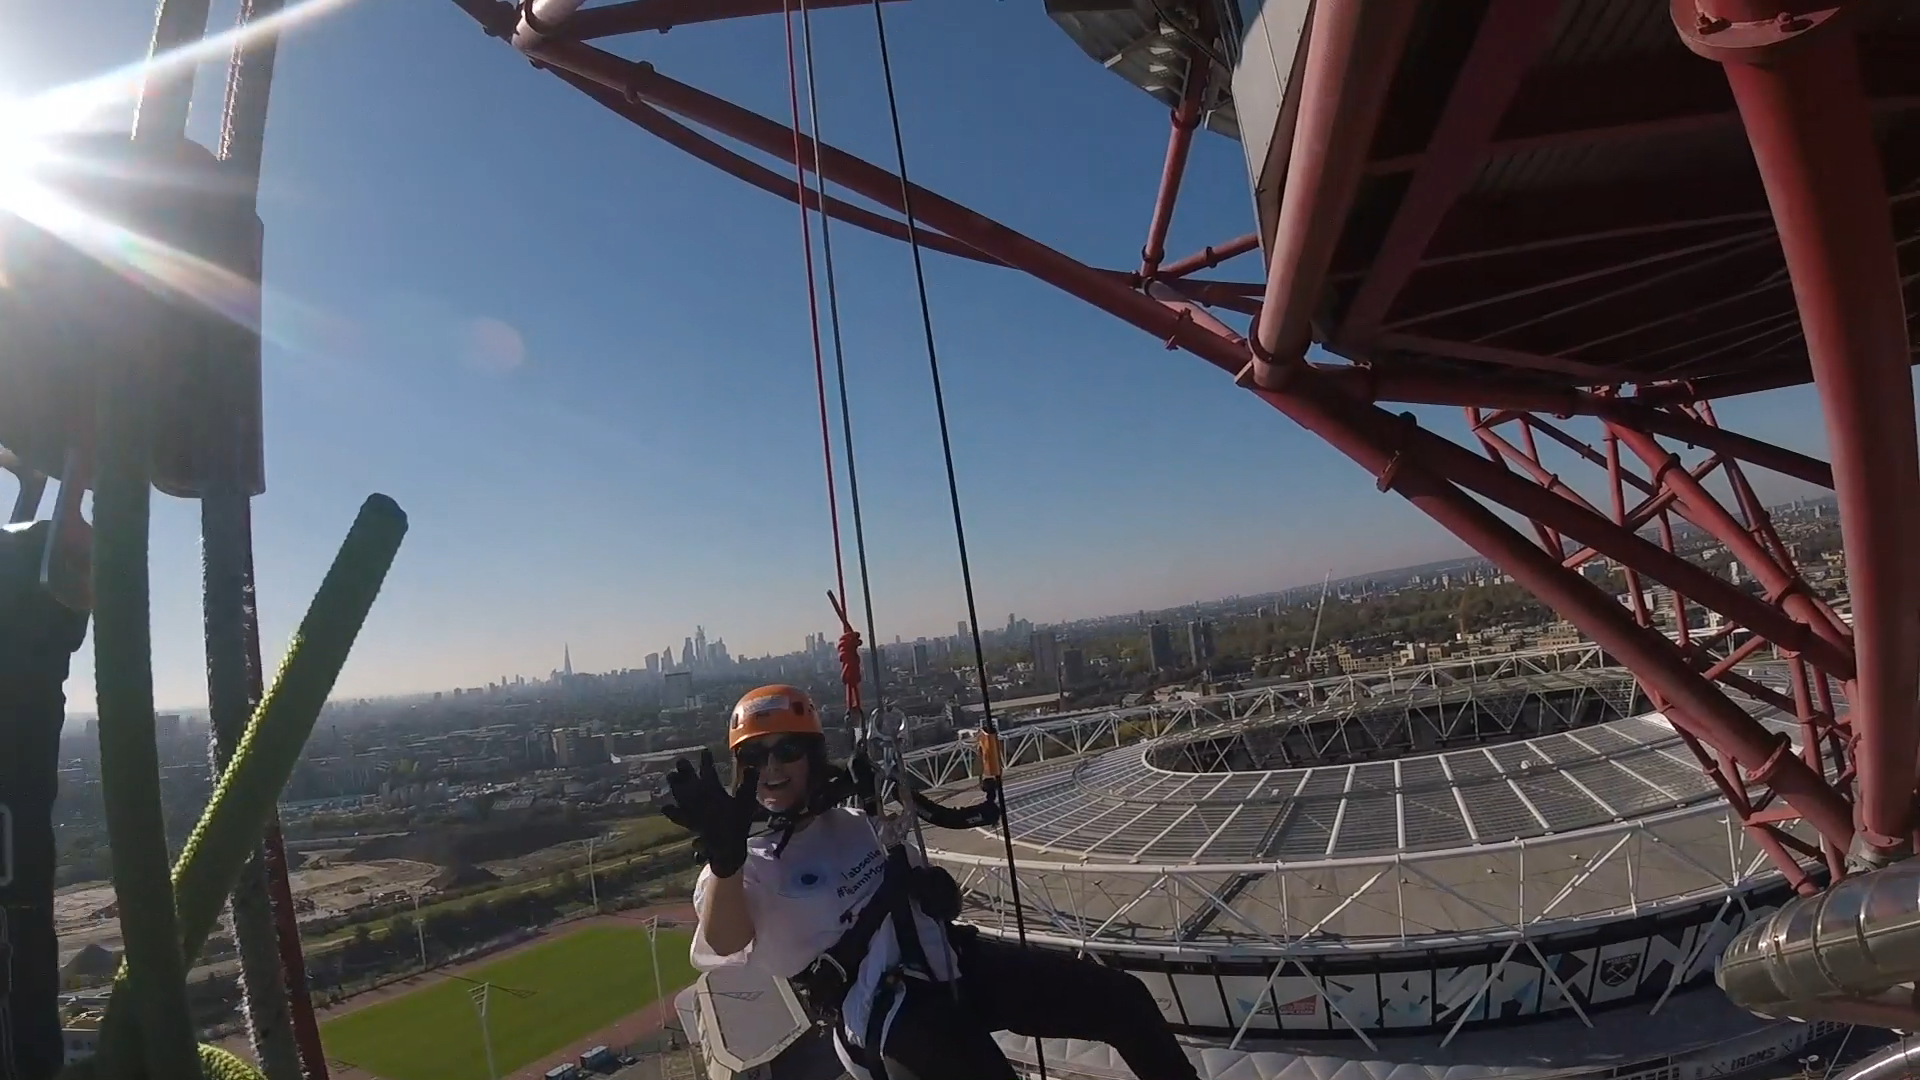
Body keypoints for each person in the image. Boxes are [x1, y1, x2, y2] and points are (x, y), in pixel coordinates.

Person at [663, 684, 1202, 1080]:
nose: (772, 767)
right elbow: (724, 941)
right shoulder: (745, 864)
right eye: (754, 757)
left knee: (1122, 1000)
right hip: (883, 1011)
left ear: (813, 757)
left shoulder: (854, 823)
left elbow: (927, 894)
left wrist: (935, 891)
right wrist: (726, 861)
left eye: (787, 751)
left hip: (951, 963)